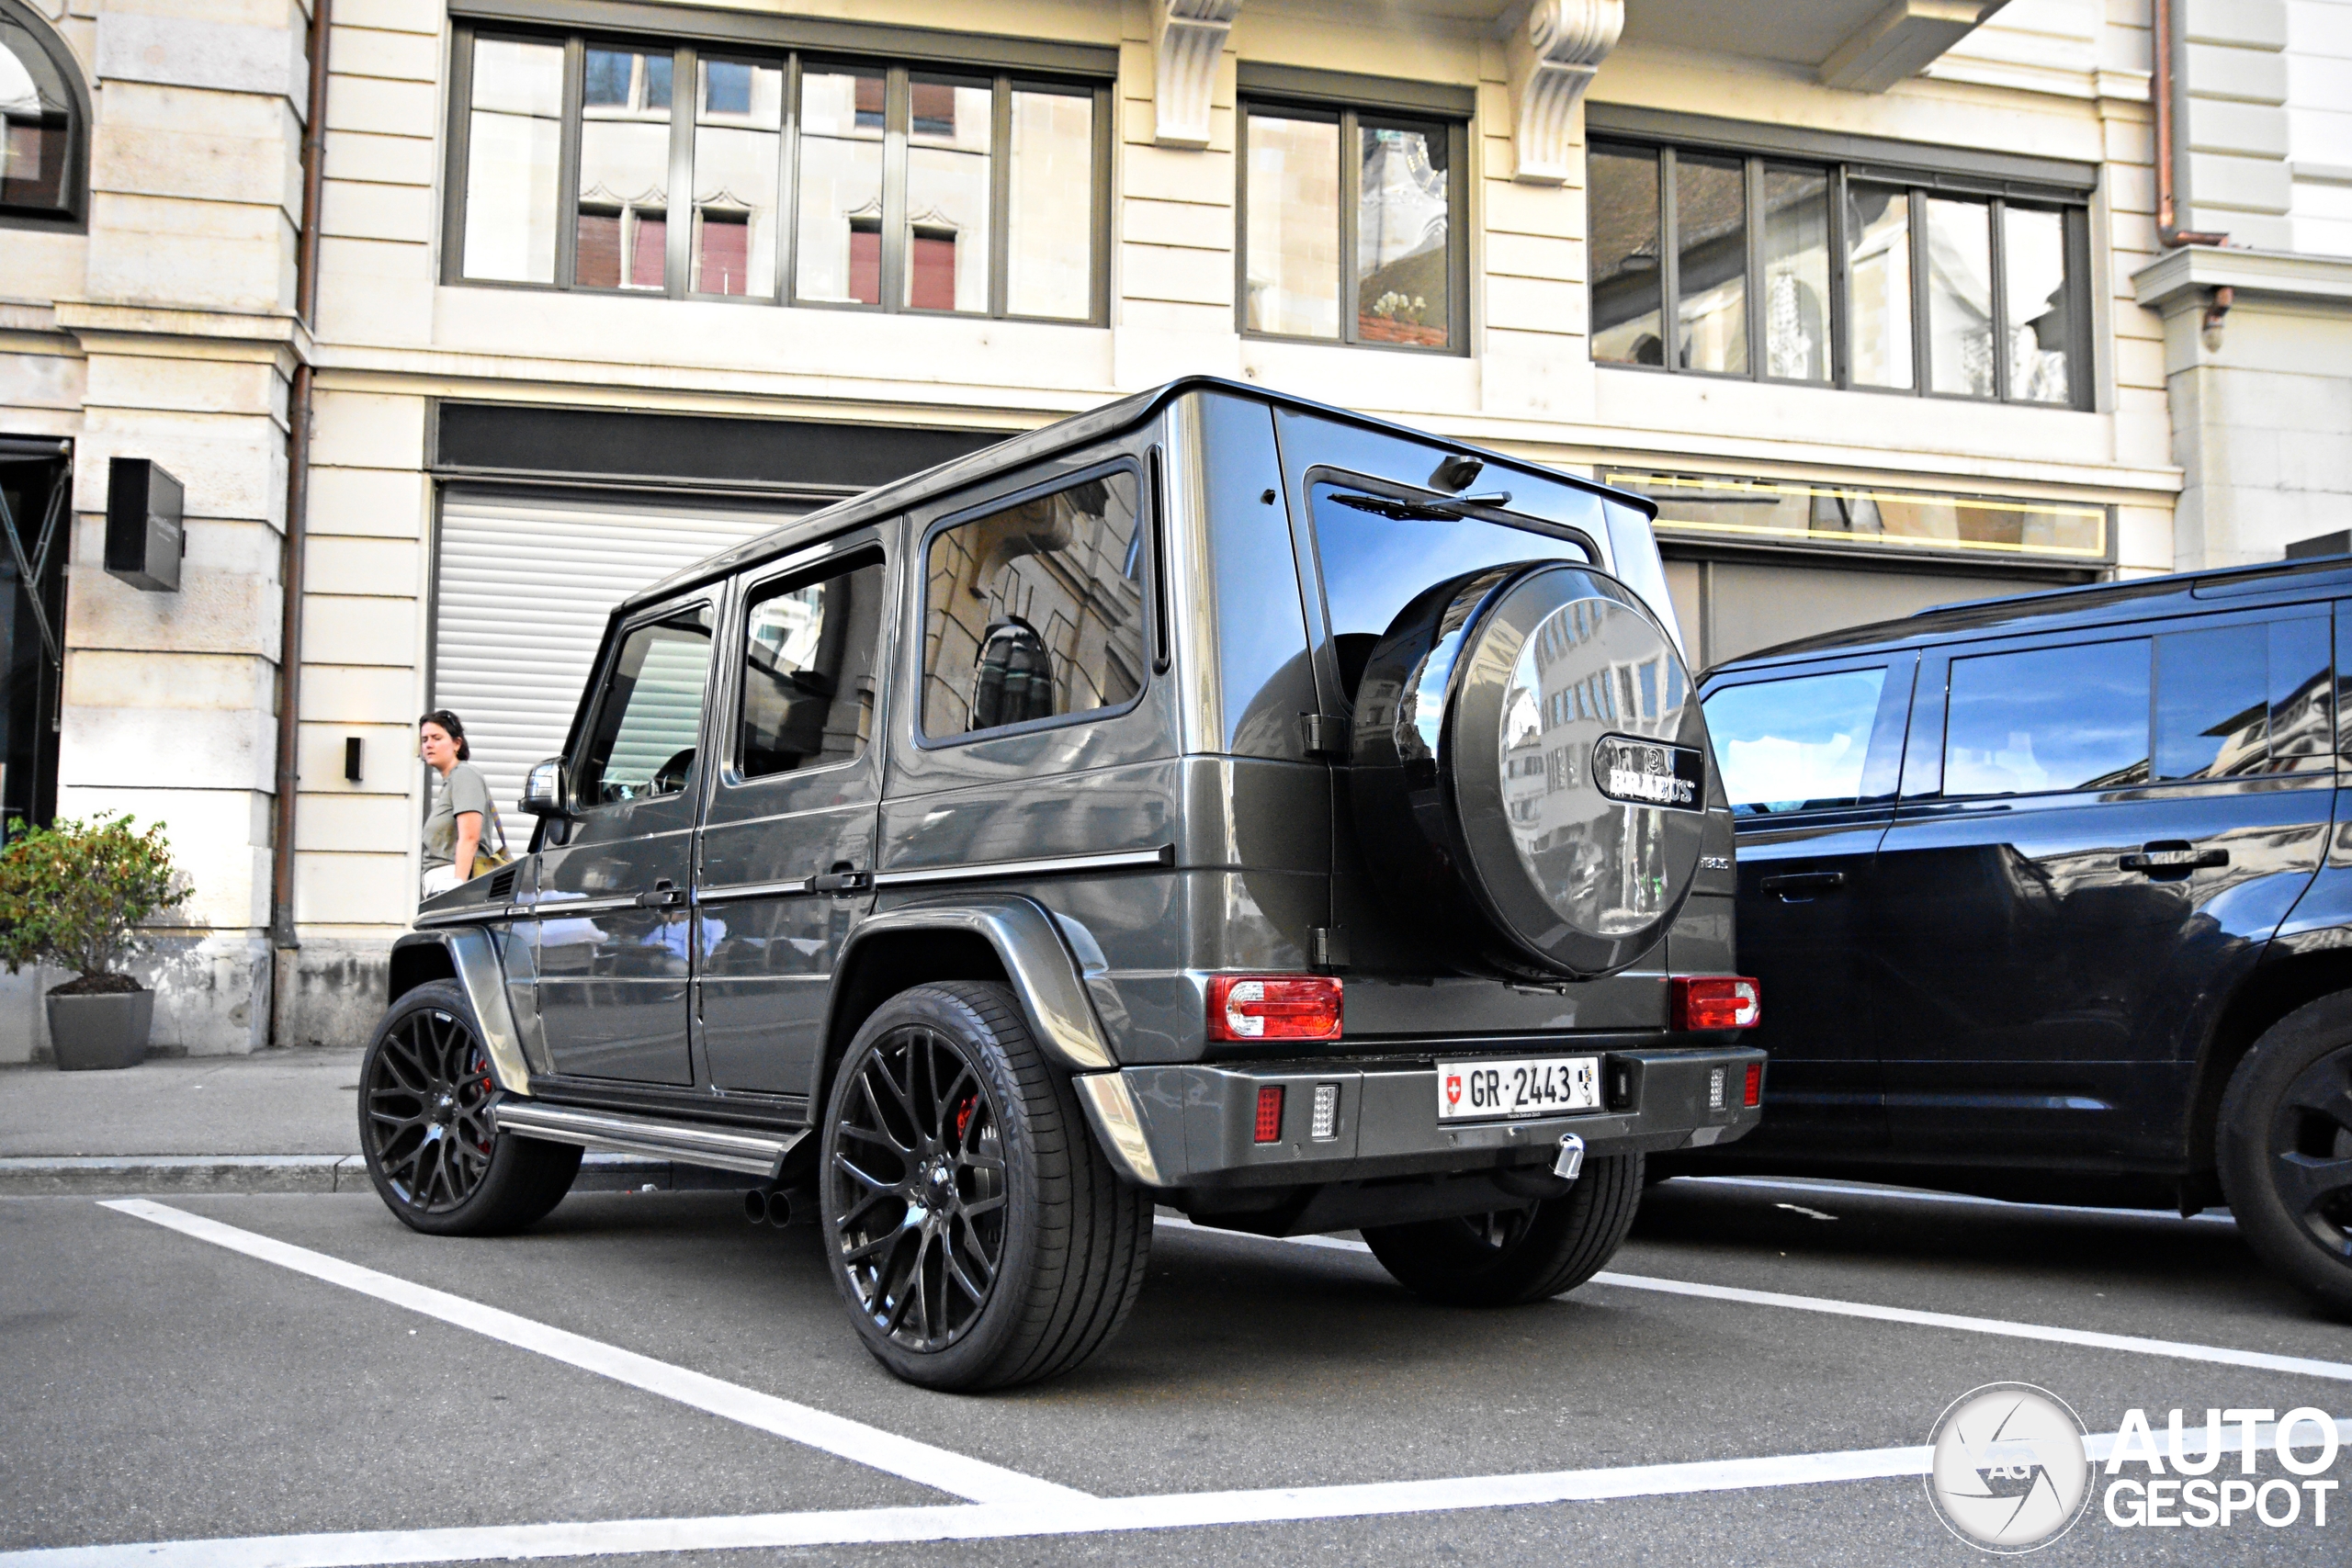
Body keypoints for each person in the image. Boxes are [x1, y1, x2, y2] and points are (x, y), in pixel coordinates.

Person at [418, 709, 503, 898]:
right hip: (444, 882)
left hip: (454, 883)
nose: (429, 745)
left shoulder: (464, 775)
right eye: (424, 740)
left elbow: (470, 837)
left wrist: (457, 889)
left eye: (436, 738)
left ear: (457, 743)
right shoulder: (452, 781)